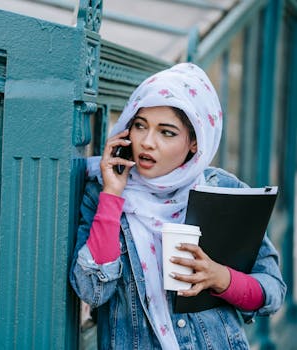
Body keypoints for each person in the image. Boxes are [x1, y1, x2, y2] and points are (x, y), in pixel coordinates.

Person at [69, 63, 286, 349]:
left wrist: (220, 278)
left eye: (167, 133)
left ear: (194, 141)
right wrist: (113, 195)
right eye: (140, 126)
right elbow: (92, 291)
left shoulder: (222, 190)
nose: (147, 142)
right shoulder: (103, 191)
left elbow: (272, 290)